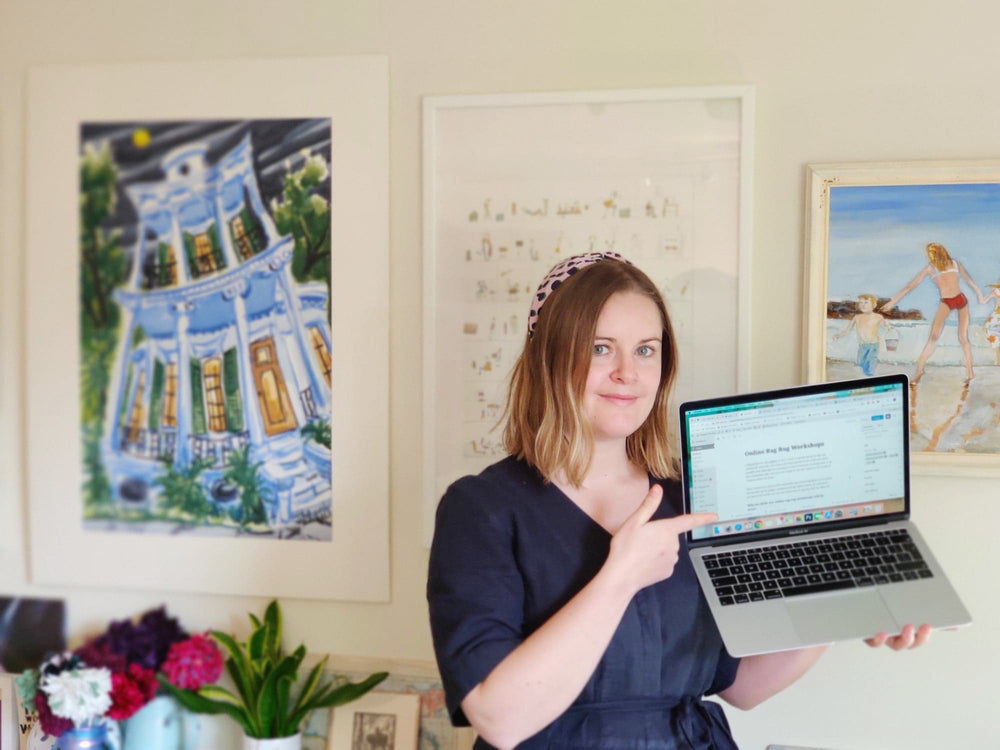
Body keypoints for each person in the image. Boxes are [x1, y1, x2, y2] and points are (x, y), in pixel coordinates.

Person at [427, 253, 931, 749]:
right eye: (600, 348)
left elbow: (741, 686)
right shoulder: (481, 509)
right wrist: (619, 578)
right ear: (549, 358)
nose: (628, 372)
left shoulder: (692, 497)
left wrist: (846, 607)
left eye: (646, 350)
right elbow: (500, 720)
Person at [880, 242, 983, 383]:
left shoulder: (955, 264)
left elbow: (970, 281)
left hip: (960, 299)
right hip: (946, 301)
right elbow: (910, 286)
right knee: (933, 337)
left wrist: (980, 295)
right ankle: (919, 371)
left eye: (932, 252)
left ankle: (970, 372)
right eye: (930, 253)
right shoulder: (931, 268)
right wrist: (893, 301)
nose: (931, 255)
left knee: (963, 338)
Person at [832, 293, 897, 376]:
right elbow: (847, 330)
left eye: (866, 302)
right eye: (861, 302)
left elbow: (885, 325)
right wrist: (838, 335)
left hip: (873, 345)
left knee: (870, 366)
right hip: (862, 346)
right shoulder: (857, 317)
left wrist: (889, 328)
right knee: (860, 364)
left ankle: (870, 377)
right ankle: (863, 377)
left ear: (874, 305)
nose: (863, 305)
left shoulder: (878, 316)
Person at [980, 281, 1000, 366]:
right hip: (997, 317)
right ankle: (998, 362)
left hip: (996, 317)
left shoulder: (996, 290)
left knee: (997, 341)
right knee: (996, 340)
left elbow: (983, 301)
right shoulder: (996, 290)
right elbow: (983, 301)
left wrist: (978, 293)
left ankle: (998, 362)